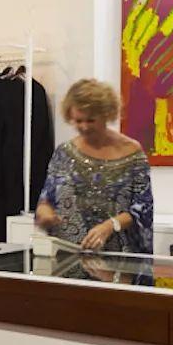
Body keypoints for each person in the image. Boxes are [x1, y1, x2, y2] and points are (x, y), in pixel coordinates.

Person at [35, 79, 153, 253]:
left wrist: (110, 225)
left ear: (106, 115)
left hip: (118, 255)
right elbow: (47, 199)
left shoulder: (131, 152)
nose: (84, 127)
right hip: (69, 253)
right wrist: (44, 214)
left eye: (91, 120)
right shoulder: (64, 153)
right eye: (78, 121)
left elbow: (143, 208)